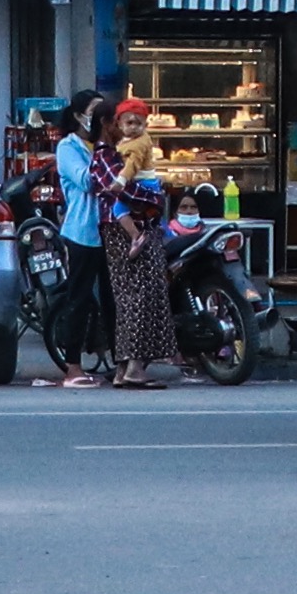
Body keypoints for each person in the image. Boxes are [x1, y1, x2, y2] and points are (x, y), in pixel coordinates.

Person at [103, 94, 175, 389]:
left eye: (137, 122)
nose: (132, 127)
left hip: (136, 223)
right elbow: (122, 184)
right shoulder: (107, 153)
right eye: (127, 122)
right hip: (133, 230)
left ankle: (126, 368)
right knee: (141, 299)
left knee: (133, 300)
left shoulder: (136, 144)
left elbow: (131, 170)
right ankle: (133, 368)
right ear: (116, 124)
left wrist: (124, 185)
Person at [47, 93, 115, 387]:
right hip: (83, 232)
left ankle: (121, 362)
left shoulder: (114, 145)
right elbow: (88, 181)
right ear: (79, 116)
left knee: (116, 300)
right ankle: (73, 366)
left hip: (113, 231)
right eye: (95, 111)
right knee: (81, 298)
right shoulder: (68, 147)